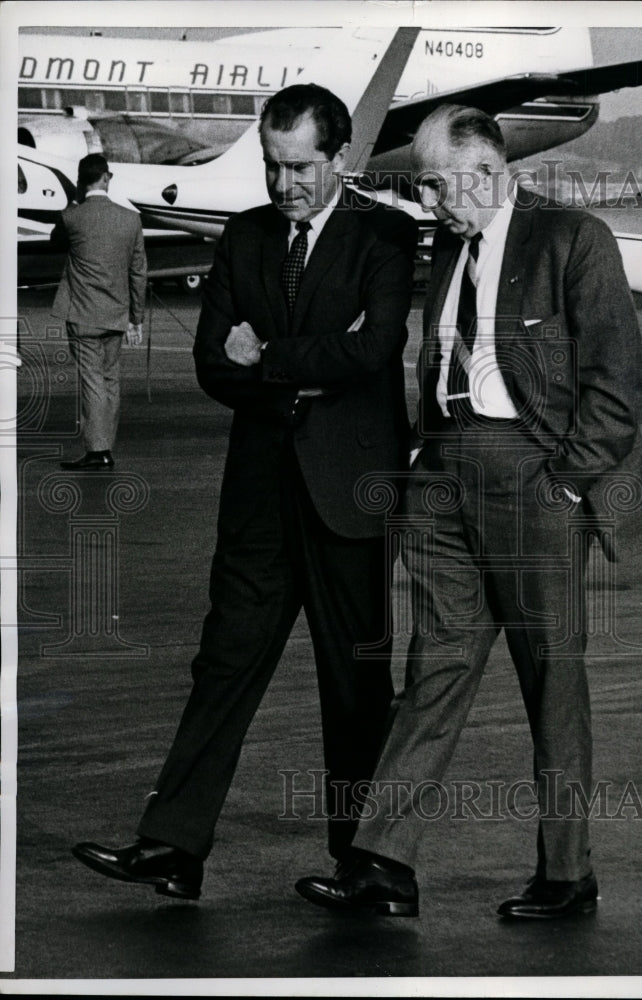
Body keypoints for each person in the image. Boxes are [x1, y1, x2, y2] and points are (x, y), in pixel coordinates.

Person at [295, 104, 642, 919]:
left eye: (440, 188)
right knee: (435, 671)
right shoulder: (456, 240)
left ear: (490, 172)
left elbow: (617, 381)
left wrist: (564, 482)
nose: (432, 205)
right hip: (447, 475)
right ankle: (383, 863)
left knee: (552, 680)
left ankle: (568, 875)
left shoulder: (573, 238)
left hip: (533, 477)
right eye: (424, 190)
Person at [72, 84, 417, 900]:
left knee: (355, 681)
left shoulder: (386, 236)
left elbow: (375, 352)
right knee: (222, 662)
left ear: (341, 160)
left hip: (348, 492)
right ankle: (173, 846)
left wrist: (271, 358)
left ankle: (367, 863)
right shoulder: (246, 236)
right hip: (261, 493)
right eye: (272, 164)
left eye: (299, 166)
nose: (283, 182)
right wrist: (294, 368)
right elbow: (211, 366)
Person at [52, 153, 147, 470]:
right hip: (117, 314)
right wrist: (137, 318)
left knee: (92, 382)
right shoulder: (130, 219)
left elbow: (56, 241)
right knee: (110, 381)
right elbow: (138, 272)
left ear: (81, 181)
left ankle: (97, 451)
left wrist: (74, 201)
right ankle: (105, 445)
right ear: (107, 178)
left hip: (82, 314)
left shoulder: (71, 217)